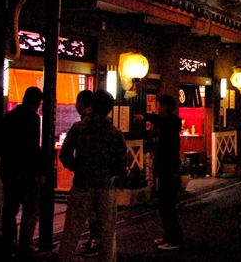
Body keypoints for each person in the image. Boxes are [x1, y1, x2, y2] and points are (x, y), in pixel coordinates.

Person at [58, 90, 127, 262]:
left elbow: (64, 155)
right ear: (110, 109)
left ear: (92, 106)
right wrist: (110, 173)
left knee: (71, 233)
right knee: (107, 235)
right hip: (105, 188)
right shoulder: (115, 133)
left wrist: (78, 167)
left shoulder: (78, 128)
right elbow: (121, 164)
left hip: (82, 186)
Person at [0, 86, 46, 259]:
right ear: (37, 103)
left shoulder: (8, 117)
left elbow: (3, 146)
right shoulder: (33, 119)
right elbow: (34, 148)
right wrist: (39, 173)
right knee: (30, 210)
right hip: (27, 173)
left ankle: (7, 243)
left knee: (9, 210)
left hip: (10, 172)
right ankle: (25, 247)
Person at [135, 94, 183, 251]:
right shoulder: (168, 124)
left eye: (158, 105)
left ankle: (174, 239)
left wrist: (145, 116)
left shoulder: (170, 122)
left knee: (167, 205)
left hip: (168, 169)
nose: (156, 108)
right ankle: (169, 236)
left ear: (164, 107)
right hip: (165, 168)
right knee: (164, 205)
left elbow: (159, 121)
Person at [74, 90, 101, 258]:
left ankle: (95, 240)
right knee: (95, 210)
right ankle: (95, 238)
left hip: (87, 175)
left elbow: (67, 153)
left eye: (76, 102)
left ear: (82, 103)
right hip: (100, 176)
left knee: (91, 210)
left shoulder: (85, 124)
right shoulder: (103, 123)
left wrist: (75, 165)